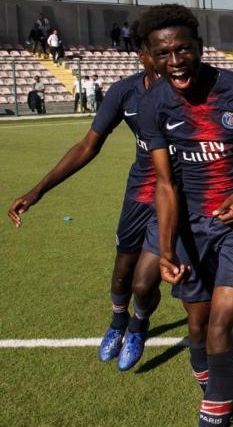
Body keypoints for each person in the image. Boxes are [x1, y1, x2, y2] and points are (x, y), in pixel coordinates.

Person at [137, 3, 233, 427]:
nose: (174, 62)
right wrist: (166, 249)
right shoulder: (153, 105)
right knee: (199, 325)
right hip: (190, 226)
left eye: (182, 50)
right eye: (163, 54)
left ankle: (214, 416)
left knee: (224, 322)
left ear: (199, 47)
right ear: (150, 56)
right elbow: (165, 184)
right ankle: (211, 382)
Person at [8, 38, 164, 371]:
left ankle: (138, 326)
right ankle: (118, 321)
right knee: (122, 274)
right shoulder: (125, 92)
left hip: (174, 197)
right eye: (157, 52)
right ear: (143, 56)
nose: (167, 60)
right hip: (139, 194)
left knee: (144, 281)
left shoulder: (187, 93)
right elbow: (87, 147)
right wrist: (37, 192)